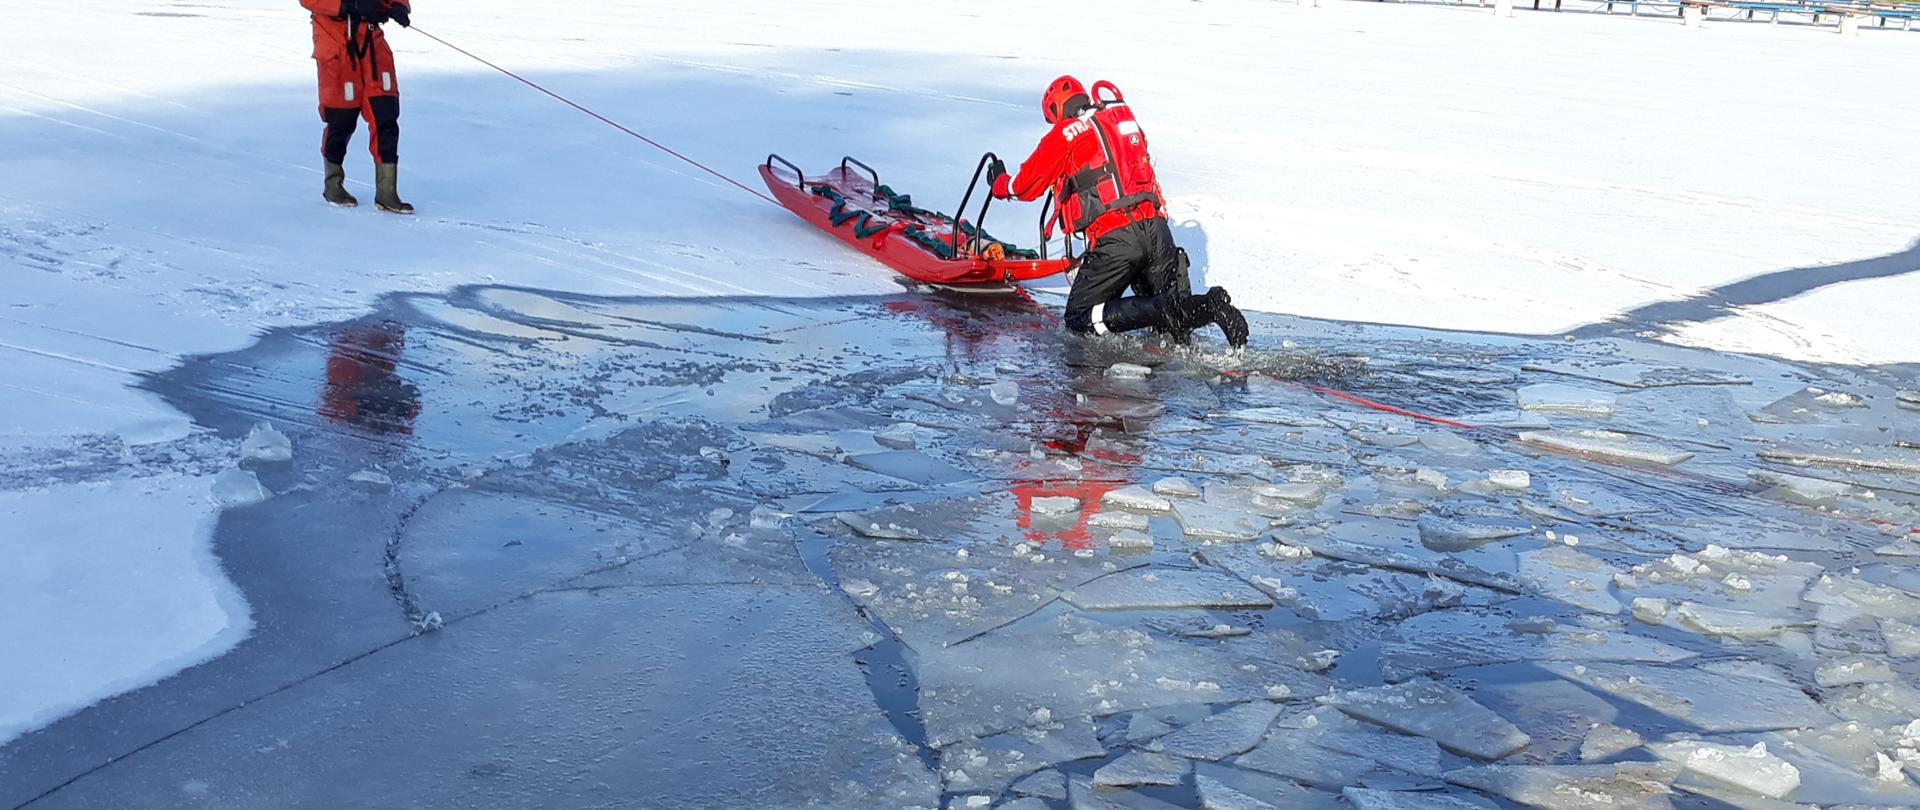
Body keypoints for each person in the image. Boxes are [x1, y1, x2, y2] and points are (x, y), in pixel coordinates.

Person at [990, 75, 1247, 348]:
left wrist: (1000, 183)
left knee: (1079, 317)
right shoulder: (1119, 121)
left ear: (1056, 110)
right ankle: (1210, 306)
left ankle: (1165, 308)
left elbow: (1025, 186)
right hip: (1158, 232)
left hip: (1116, 238)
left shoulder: (1066, 133)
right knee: (1172, 329)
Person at [300, 0, 415, 214]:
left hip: (372, 43)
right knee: (341, 118)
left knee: (385, 114)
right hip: (336, 44)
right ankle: (333, 184)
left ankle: (387, 193)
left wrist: (398, 5)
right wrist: (350, 5)